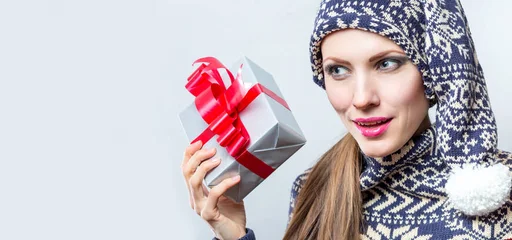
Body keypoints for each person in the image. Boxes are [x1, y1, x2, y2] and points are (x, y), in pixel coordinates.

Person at [181, 0, 512, 239]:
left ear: (433, 73)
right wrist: (232, 236)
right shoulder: (313, 192)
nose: (361, 98)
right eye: (338, 70)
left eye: (387, 64)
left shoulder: (502, 196)